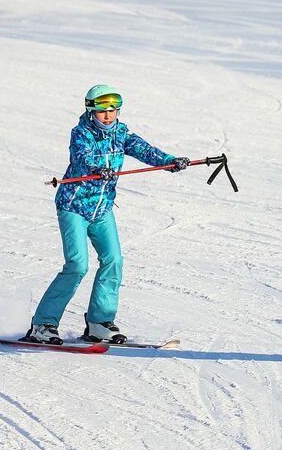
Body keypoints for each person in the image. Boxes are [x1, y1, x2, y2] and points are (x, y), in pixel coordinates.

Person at [23, 85, 188, 345]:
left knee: (114, 260)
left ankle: (99, 322)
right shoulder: (81, 133)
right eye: (102, 111)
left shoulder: (121, 133)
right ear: (91, 111)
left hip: (102, 210)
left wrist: (170, 161)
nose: (108, 116)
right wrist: (98, 168)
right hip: (74, 207)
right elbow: (81, 158)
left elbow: (145, 150)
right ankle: (43, 325)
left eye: (113, 110)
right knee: (77, 265)